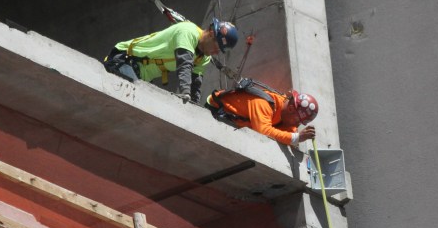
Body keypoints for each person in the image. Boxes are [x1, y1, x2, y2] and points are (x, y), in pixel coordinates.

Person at [103, 18, 238, 103]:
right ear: (211, 34)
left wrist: (194, 106)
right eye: (217, 47)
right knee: (134, 104)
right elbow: (184, 63)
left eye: (220, 51)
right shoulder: (187, 31)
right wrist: (185, 92)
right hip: (124, 60)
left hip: (139, 75)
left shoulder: (204, 57)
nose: (216, 52)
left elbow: (195, 81)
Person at [206, 79, 318, 147]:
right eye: (297, 121)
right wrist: (296, 138)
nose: (296, 126)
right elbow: (263, 131)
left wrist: (296, 138)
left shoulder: (284, 114)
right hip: (214, 111)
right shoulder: (264, 103)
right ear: (291, 109)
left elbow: (289, 133)